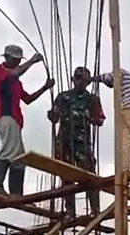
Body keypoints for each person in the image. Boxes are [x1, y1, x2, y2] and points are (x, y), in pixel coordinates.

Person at [0, 44, 55, 197]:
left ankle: (16, 193)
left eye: (19, 60)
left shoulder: (16, 82)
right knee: (9, 151)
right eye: (16, 60)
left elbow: (28, 99)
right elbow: (15, 73)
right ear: (7, 58)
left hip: (14, 118)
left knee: (19, 156)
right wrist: (32, 61)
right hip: (5, 114)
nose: (18, 63)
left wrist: (45, 87)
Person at [47, 67, 105, 215]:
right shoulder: (63, 96)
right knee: (66, 174)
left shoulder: (92, 99)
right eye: (77, 77)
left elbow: (100, 119)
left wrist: (93, 118)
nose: (79, 80)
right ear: (73, 79)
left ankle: (95, 210)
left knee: (89, 174)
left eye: (82, 78)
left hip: (82, 141)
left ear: (88, 81)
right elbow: (54, 117)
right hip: (64, 140)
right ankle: (70, 210)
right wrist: (53, 114)